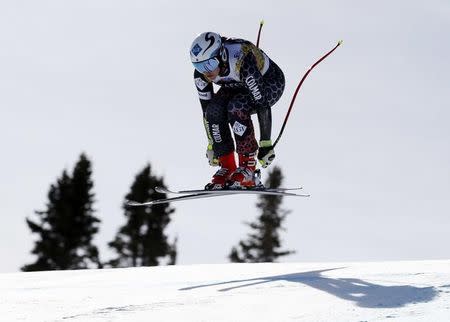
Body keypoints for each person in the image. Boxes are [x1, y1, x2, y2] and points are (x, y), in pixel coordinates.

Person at [190, 32, 285, 190]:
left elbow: (262, 103)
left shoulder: (241, 61)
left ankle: (248, 167)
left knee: (236, 107)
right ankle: (228, 167)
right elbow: (206, 111)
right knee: (213, 111)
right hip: (236, 84)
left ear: (221, 56)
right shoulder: (201, 75)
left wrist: (266, 144)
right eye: (199, 66)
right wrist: (212, 144)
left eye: (209, 64)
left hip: (269, 82)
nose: (206, 72)